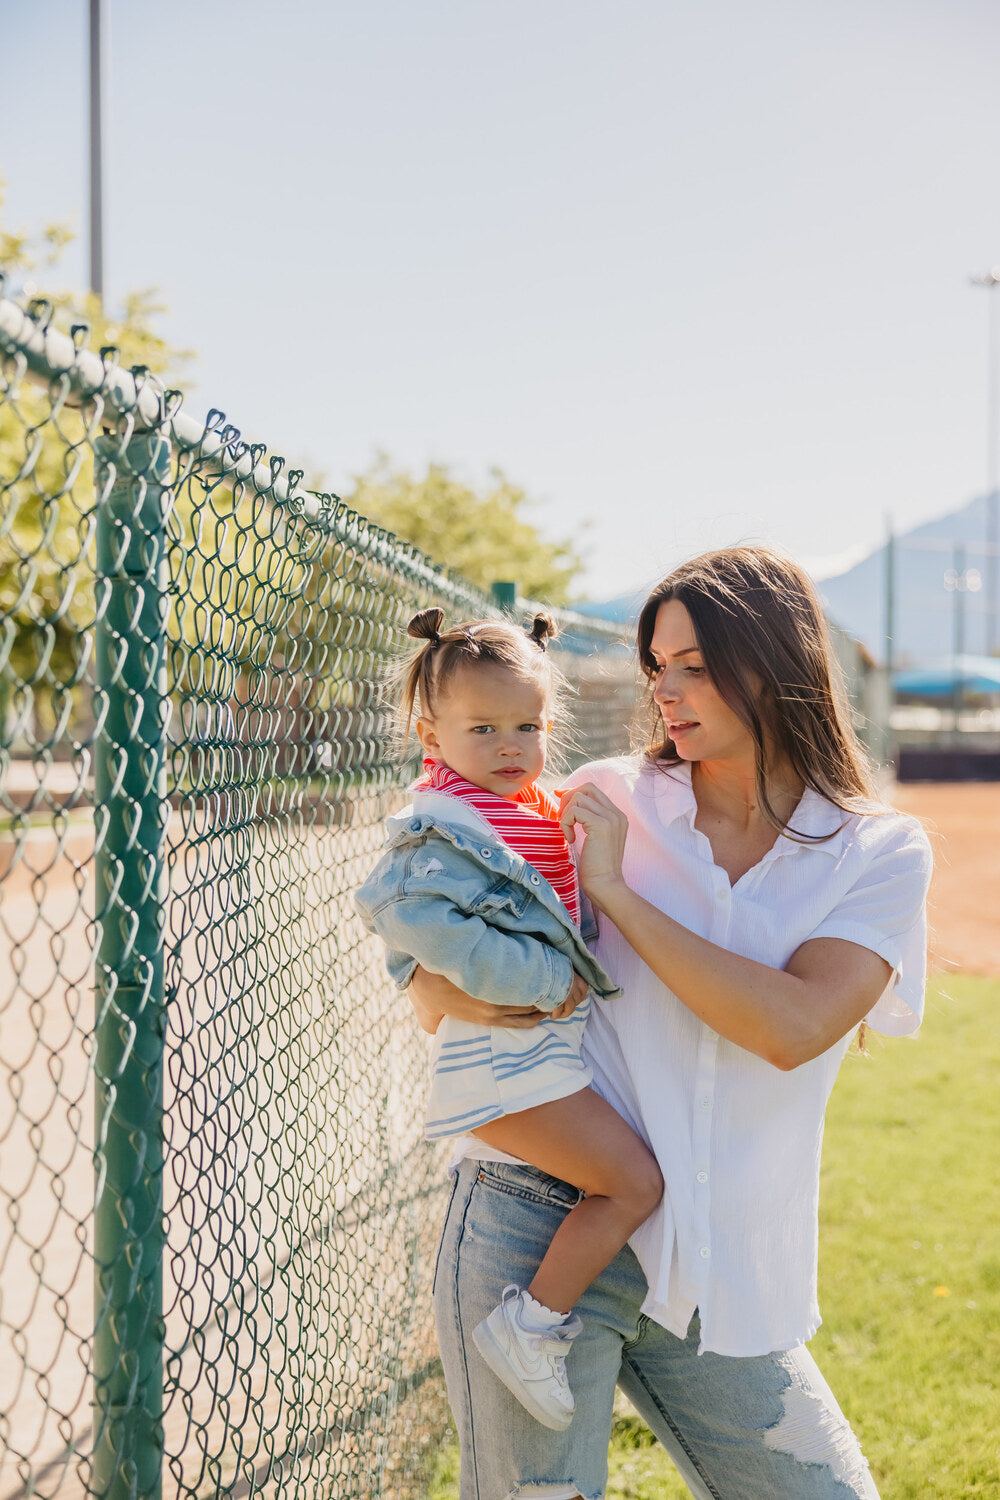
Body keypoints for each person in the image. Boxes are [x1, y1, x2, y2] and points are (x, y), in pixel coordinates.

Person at [409, 547, 933, 1500]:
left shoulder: (878, 851)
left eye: (695, 665)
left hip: (718, 1255)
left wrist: (617, 891)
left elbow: (796, 1025)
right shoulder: (599, 796)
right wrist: (456, 994)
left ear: (776, 663)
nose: (667, 691)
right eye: (659, 666)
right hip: (538, 1222)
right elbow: (443, 952)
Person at [354, 606, 663, 1431]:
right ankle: (529, 1329)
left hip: (534, 1053)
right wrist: (541, 978)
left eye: (526, 725)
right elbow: (401, 911)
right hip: (505, 1058)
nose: (507, 745)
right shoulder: (443, 822)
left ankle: (538, 1324)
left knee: (629, 1179)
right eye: (482, 727)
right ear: (431, 730)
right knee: (633, 1183)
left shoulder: (529, 807)